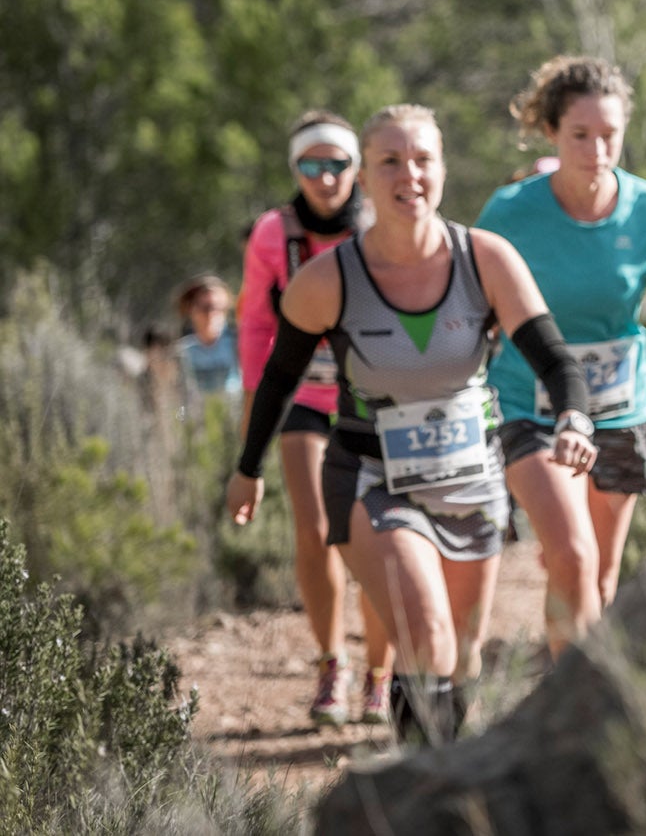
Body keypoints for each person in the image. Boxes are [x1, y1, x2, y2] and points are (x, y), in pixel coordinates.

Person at [227, 104, 598, 745]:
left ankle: (442, 773)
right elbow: (278, 378)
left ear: (443, 170)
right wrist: (248, 467)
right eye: (390, 161)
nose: (410, 175)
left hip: (472, 479)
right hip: (371, 477)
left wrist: (574, 418)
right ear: (365, 179)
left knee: (462, 653)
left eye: (423, 159)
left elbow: (555, 357)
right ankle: (423, 793)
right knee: (424, 633)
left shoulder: (486, 259)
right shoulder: (327, 280)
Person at [476, 56, 646, 655]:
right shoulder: (510, 212)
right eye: (581, 135)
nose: (598, 150)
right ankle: (565, 714)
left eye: (610, 135)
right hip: (528, 402)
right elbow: (475, 313)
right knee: (570, 554)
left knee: (599, 577)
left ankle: (579, 696)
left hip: (618, 407)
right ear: (551, 132)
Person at [237, 111, 396, 728]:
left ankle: (380, 675)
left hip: (376, 398)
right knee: (315, 527)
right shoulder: (272, 233)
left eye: (337, 164)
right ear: (295, 169)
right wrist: (255, 416)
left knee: (378, 537)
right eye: (311, 164)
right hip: (303, 395)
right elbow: (254, 325)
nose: (325, 177)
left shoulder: (380, 223)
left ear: (355, 168)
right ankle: (332, 662)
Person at [174, 275, 241, 400]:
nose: (212, 315)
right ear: (191, 310)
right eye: (206, 308)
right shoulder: (180, 352)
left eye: (219, 308)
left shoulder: (240, 345)